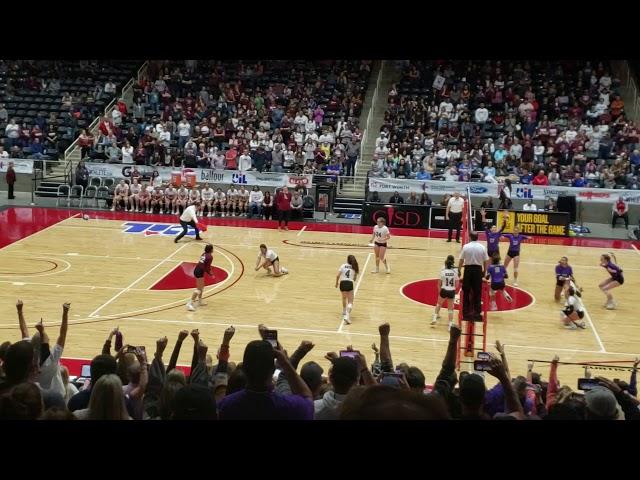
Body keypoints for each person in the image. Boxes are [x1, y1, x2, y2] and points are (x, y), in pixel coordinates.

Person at [458, 232, 490, 321]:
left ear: (470, 237)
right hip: (478, 270)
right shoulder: (482, 247)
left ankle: (465, 313)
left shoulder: (466, 246)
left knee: (466, 291)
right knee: (477, 292)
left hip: (468, 270)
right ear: (477, 237)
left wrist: (459, 270)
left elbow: (461, 259)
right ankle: (477, 314)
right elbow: (486, 261)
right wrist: (484, 272)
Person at [432, 255, 459, 329]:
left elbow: (439, 284)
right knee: (450, 309)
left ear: (446, 264)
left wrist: (440, 292)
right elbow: (457, 284)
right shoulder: (455, 271)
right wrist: (454, 290)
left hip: (444, 290)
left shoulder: (443, 271)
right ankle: (450, 325)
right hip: (451, 291)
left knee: (438, 304)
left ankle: (434, 318)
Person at [187, 244, 214, 311]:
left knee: (202, 287)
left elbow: (204, 265)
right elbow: (207, 267)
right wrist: (210, 274)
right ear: (211, 250)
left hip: (198, 270)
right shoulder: (210, 256)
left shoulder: (204, 254)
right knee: (199, 289)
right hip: (199, 271)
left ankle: (200, 301)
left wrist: (208, 271)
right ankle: (189, 303)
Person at [336, 255, 359, 324]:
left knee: (344, 298)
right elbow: (354, 279)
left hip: (342, 283)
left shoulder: (343, 265)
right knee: (350, 301)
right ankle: (347, 316)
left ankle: (344, 311)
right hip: (349, 283)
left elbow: (338, 275)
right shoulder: (354, 267)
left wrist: (336, 283)